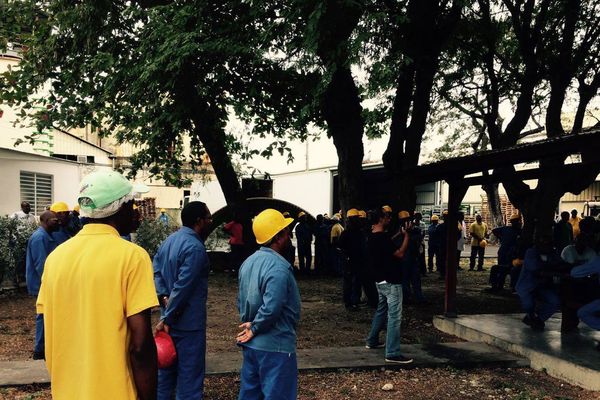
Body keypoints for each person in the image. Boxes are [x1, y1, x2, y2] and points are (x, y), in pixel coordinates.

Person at [36, 170, 158, 400]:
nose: (135, 213)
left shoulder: (56, 258)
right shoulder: (132, 257)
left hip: (67, 392)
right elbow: (141, 346)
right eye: (131, 205)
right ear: (119, 208)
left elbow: (50, 326)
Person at [236, 209, 301, 400]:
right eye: (286, 231)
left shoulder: (247, 263)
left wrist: (251, 325)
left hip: (252, 347)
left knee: (250, 394)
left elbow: (240, 300)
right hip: (276, 346)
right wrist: (255, 327)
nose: (289, 234)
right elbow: (272, 307)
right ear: (278, 237)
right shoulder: (279, 267)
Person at [154, 201, 212, 400]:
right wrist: (168, 317)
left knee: (165, 376)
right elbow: (183, 286)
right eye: (208, 218)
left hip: (168, 323)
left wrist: (163, 298)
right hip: (188, 325)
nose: (210, 222)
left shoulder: (169, 241)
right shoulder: (195, 248)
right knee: (189, 380)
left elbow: (157, 271)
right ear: (199, 221)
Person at [365, 208, 413, 364]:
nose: (389, 219)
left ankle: (372, 340)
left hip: (380, 281)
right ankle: (392, 352)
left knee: (381, 310)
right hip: (392, 281)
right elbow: (399, 253)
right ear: (380, 219)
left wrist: (399, 234)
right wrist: (407, 237)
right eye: (387, 217)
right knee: (394, 317)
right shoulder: (383, 238)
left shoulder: (372, 236)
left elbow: (386, 244)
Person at [25, 210, 59, 360]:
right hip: (41, 283)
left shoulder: (46, 236)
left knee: (45, 314)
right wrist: (50, 284)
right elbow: (41, 265)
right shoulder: (39, 238)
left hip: (44, 282)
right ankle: (39, 350)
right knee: (43, 314)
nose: (57, 222)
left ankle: (43, 347)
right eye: (54, 220)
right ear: (45, 221)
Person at [515, 236, 562, 331]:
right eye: (544, 244)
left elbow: (559, 264)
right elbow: (535, 269)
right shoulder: (531, 252)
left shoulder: (553, 253)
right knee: (528, 305)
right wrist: (551, 269)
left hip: (543, 286)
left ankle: (538, 319)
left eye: (549, 244)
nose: (547, 247)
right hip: (526, 286)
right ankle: (532, 317)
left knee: (555, 301)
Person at [395, 211, 425, 304]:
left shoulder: (414, 230)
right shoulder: (398, 231)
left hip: (411, 257)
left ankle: (418, 298)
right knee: (405, 279)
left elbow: (419, 239)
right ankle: (407, 298)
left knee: (414, 279)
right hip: (404, 258)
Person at [339, 208, 366, 310]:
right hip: (349, 262)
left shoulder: (359, 232)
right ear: (351, 219)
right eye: (356, 218)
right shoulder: (346, 233)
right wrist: (346, 258)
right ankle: (349, 303)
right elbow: (340, 248)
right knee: (349, 282)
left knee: (356, 282)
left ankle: (355, 301)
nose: (358, 220)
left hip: (357, 261)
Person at [487, 214, 522, 292]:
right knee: (501, 269)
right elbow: (494, 230)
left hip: (511, 254)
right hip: (503, 253)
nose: (519, 223)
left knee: (507, 269)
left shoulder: (520, 231)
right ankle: (499, 286)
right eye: (518, 222)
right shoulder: (507, 229)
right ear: (514, 222)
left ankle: (504, 286)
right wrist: (501, 238)